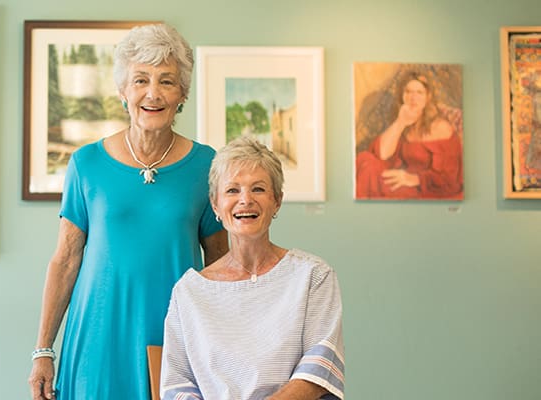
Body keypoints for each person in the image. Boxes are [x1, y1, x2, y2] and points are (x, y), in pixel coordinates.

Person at [28, 23, 228, 400]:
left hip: (175, 336)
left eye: (167, 81)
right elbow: (66, 260)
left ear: (182, 93)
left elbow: (221, 261)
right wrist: (43, 350)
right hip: (97, 337)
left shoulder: (207, 165)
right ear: (123, 91)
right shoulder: (86, 163)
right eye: (141, 80)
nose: (153, 93)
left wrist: (225, 346)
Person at [160, 136, 344, 400]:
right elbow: (177, 385)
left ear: (277, 201)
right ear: (215, 206)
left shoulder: (313, 276)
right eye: (232, 190)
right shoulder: (189, 292)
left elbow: (319, 370)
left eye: (257, 189)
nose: (245, 200)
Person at [355, 71, 463, 199]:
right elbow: (383, 155)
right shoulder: (404, 121)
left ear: (428, 97)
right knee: (366, 160)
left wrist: (414, 179)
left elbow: (449, 180)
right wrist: (400, 122)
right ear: (402, 96)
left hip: (428, 189)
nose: (413, 98)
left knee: (371, 174)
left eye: (419, 92)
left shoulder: (440, 127)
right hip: (404, 180)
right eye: (408, 92)